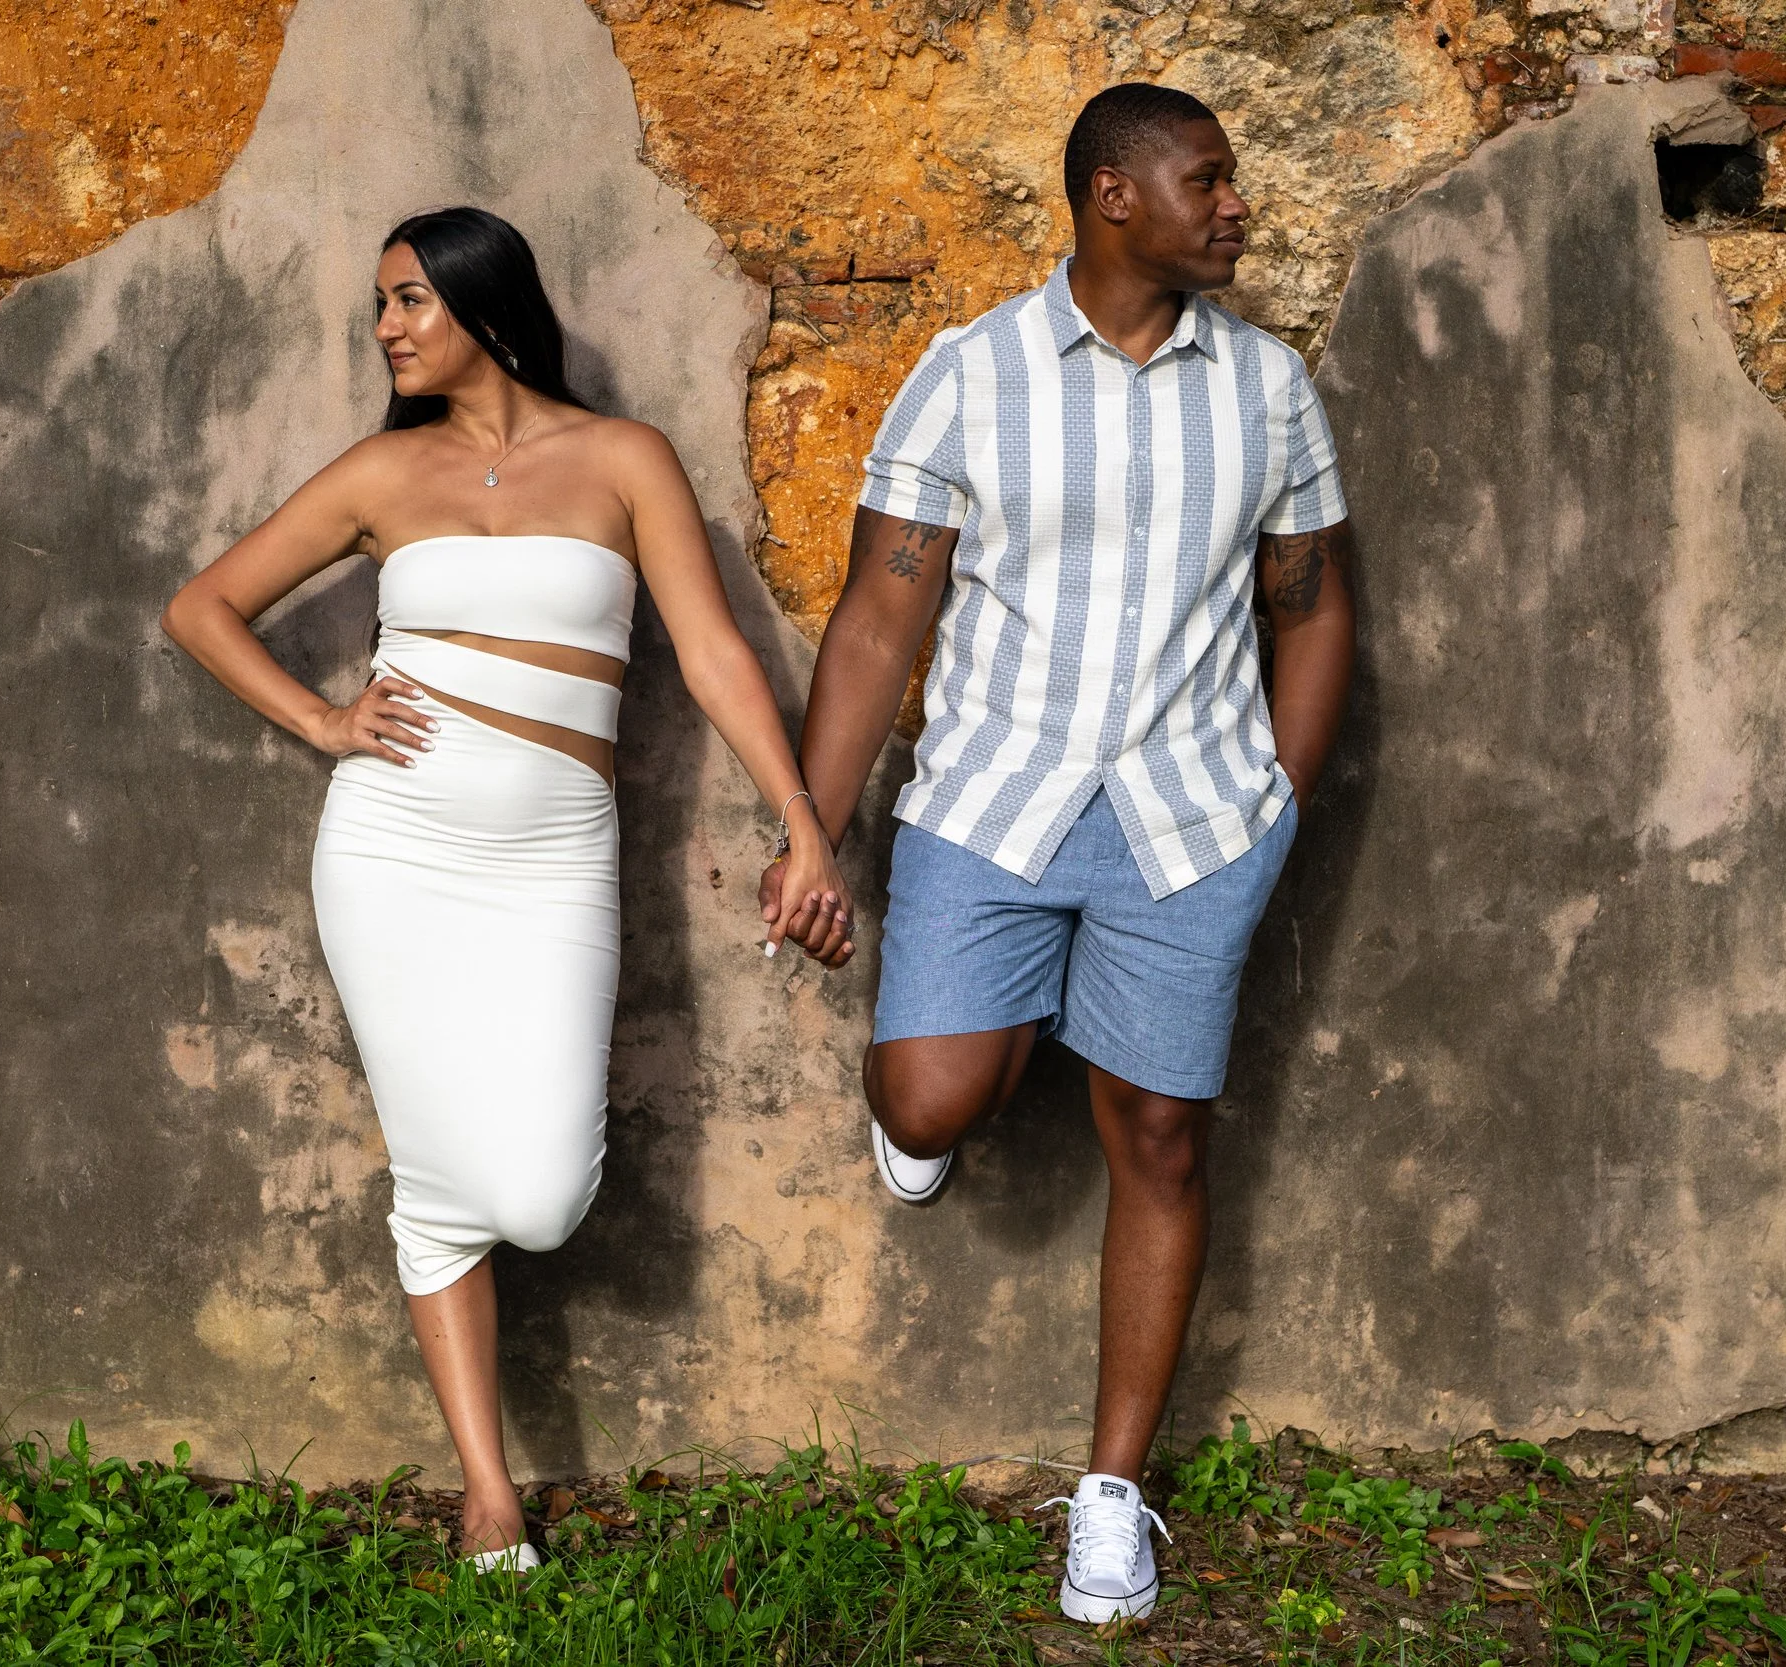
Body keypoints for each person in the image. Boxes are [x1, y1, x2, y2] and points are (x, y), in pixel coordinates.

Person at [164, 206, 849, 1572]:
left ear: (484, 301)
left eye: (409, 299)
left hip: (552, 856)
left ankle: (486, 1437)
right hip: (390, 850)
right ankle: (488, 1488)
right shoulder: (380, 473)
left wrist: (802, 824)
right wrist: (321, 721)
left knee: (543, 1197)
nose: (386, 328)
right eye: (379, 306)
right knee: (433, 1173)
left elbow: (712, 651)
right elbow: (201, 607)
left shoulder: (621, 459)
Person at [762, 85, 1358, 1623]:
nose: (1237, 207)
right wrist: (812, 832)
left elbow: (1313, 604)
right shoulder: (971, 374)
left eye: (1231, 183)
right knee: (929, 1088)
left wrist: (1273, 806)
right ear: (1113, 196)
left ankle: (1111, 1493)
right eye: (1207, 182)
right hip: (993, 802)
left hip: (1191, 818)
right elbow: (883, 612)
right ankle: (962, 1076)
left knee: (1159, 1134)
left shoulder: (1271, 388)